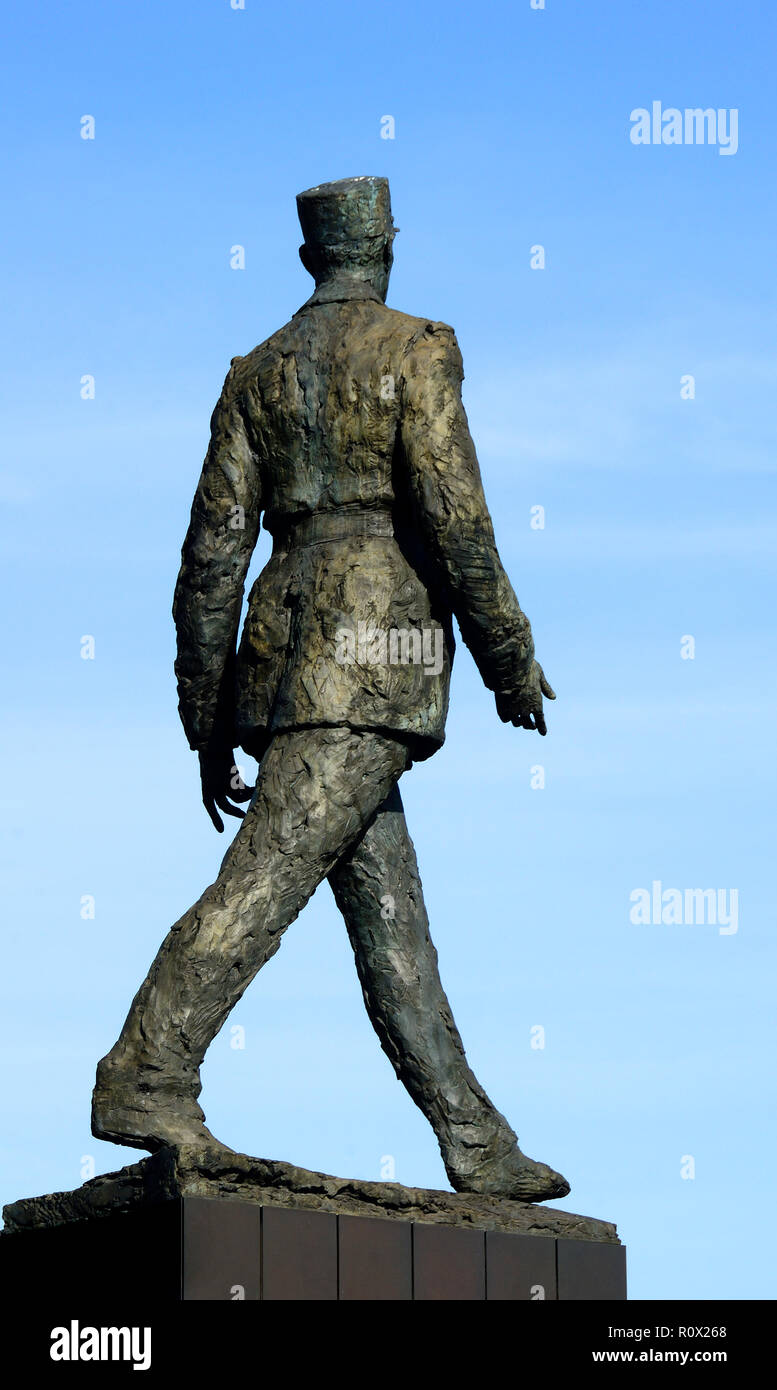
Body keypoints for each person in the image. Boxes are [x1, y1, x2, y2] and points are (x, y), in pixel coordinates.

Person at [91, 176, 569, 1202]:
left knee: (389, 914)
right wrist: (508, 653)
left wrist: (207, 712)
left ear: (312, 257)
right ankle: (147, 1069)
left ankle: (471, 1132)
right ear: (386, 245)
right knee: (266, 879)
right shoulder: (416, 349)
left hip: (282, 651)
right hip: (373, 654)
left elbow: (212, 556)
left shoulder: (256, 374)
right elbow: (455, 512)